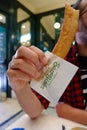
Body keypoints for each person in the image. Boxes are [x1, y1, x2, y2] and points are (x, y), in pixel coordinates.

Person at [7, 0, 87, 125]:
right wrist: (20, 87)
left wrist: (71, 113)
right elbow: (35, 110)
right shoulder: (63, 61)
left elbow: (63, 111)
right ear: (75, 23)